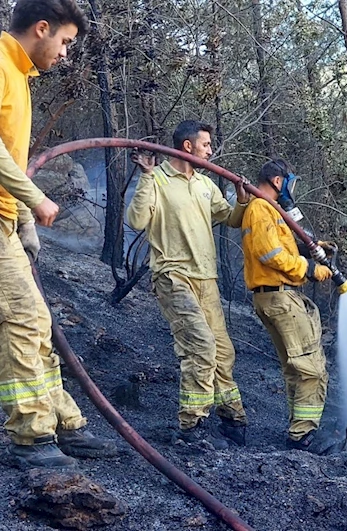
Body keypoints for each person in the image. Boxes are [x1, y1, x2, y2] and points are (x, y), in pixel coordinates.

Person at [0, 0, 117, 469]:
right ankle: (31, 437)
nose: (66, 53)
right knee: (25, 321)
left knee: (38, 322)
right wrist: (35, 199)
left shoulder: (18, 76)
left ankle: (62, 424)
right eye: (65, 41)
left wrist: (22, 221)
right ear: (42, 28)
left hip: (5, 220)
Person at [127, 120, 250, 448]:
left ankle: (231, 418)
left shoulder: (206, 185)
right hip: (173, 277)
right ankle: (191, 427)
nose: (210, 151)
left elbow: (231, 219)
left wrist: (241, 199)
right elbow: (136, 220)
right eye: (206, 145)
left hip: (206, 280)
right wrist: (145, 176)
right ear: (187, 146)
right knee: (201, 346)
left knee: (223, 352)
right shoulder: (159, 179)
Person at [241, 159, 338, 454]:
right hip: (279, 297)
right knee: (311, 369)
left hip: (273, 297)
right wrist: (309, 269)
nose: (290, 191)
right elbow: (271, 255)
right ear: (277, 181)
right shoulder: (260, 208)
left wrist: (314, 245)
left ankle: (299, 430)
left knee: (296, 368)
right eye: (288, 184)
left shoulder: (267, 210)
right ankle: (303, 436)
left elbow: (280, 246)